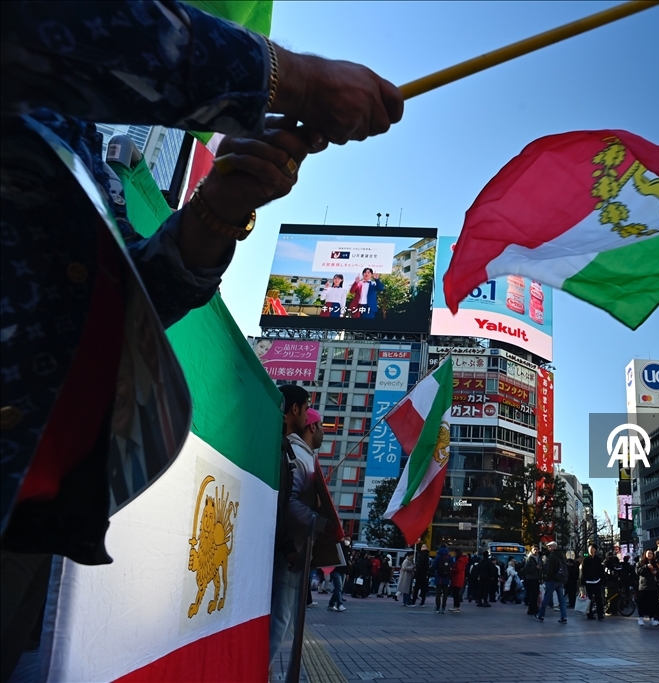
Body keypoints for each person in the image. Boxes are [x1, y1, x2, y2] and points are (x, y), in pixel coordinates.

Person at [2, 1, 402, 667]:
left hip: (28, 494)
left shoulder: (75, 135)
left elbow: (139, 293)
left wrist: (222, 206)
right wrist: (289, 78)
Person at [268, 390, 325, 666]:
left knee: (279, 617)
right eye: (305, 410)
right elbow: (286, 503)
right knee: (279, 619)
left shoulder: (294, 451)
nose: (305, 415)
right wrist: (322, 523)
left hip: (290, 547)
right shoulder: (293, 453)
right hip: (290, 549)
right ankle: (258, 668)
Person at [536, 541, 568, 623]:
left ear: (554, 547)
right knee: (561, 599)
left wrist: (546, 577)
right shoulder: (562, 555)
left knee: (546, 598)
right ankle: (563, 617)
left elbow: (549, 569)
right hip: (560, 579)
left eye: (550, 547)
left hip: (552, 580)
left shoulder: (552, 556)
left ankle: (541, 614)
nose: (548, 548)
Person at [636, 550, 659, 627]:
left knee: (652, 603)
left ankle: (652, 618)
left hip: (653, 586)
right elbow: (638, 572)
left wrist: (656, 573)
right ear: (645, 554)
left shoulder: (655, 563)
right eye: (648, 553)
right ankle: (641, 618)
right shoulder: (640, 563)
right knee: (642, 603)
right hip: (643, 586)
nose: (650, 554)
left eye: (651, 553)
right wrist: (646, 566)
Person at [581, 545, 606, 621]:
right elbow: (583, 571)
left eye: (591, 548)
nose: (590, 550)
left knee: (599, 598)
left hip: (597, 581)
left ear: (595, 550)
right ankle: (589, 613)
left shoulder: (598, 559)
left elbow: (601, 570)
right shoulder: (586, 559)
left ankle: (600, 614)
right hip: (588, 581)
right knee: (589, 599)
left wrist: (601, 579)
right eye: (589, 548)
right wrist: (583, 582)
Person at [431, 545, 453, 614]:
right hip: (446, 578)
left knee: (438, 593)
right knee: (445, 594)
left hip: (439, 577)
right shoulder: (449, 556)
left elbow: (434, 566)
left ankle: (437, 607)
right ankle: (443, 607)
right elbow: (452, 565)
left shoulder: (438, 556)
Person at [449, 549, 468, 613]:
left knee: (456, 593)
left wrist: (452, 569)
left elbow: (458, 569)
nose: (454, 554)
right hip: (459, 578)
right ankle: (455, 607)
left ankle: (456, 607)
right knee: (456, 593)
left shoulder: (460, 560)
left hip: (457, 578)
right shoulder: (462, 560)